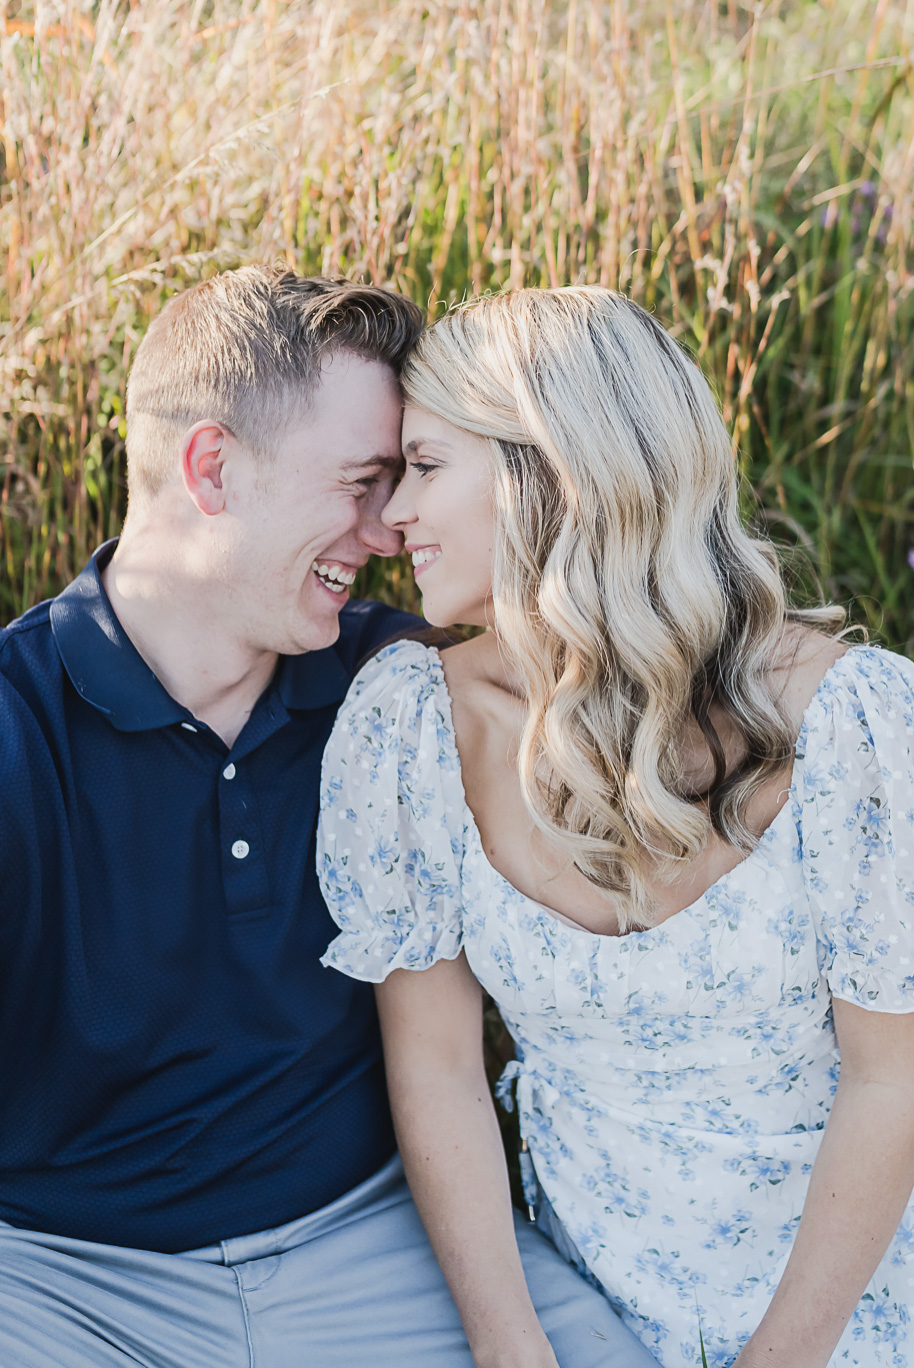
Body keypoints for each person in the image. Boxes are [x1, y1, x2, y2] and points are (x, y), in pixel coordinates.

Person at [0, 267, 661, 1368]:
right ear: (211, 468)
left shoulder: (401, 685)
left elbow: (658, 681)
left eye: (400, 481)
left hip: (369, 1238)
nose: (388, 528)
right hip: (64, 1278)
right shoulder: (18, 729)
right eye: (359, 482)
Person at [317, 285, 914, 1368]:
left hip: (841, 1297)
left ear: (546, 475)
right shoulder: (410, 726)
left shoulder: (854, 725)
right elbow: (439, 1067)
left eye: (426, 466)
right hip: (569, 1291)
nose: (389, 515)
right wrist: (512, 1347)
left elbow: (892, 1077)